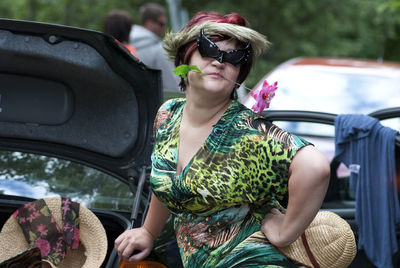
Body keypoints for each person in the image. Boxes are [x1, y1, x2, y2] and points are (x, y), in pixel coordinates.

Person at [115, 11, 330, 267]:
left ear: (239, 75)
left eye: (233, 57)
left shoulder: (249, 132)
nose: (219, 61)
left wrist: (287, 230)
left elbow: (314, 168)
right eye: (209, 50)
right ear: (186, 55)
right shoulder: (167, 114)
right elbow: (167, 182)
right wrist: (148, 232)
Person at [129, 3, 180, 93]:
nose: (164, 28)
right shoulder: (158, 49)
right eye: (161, 24)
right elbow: (172, 86)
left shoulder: (126, 43)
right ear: (149, 23)